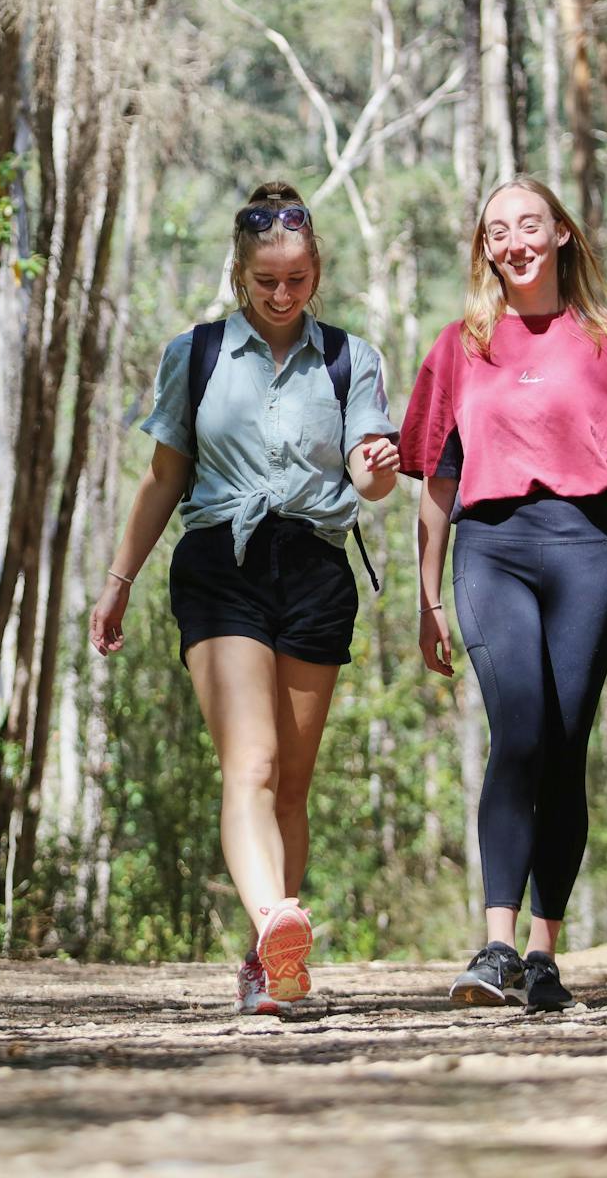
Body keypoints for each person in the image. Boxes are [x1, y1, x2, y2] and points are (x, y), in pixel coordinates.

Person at [89, 181, 402, 1016]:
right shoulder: (194, 355)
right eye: (266, 280)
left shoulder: (351, 359)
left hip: (316, 567)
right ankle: (274, 926)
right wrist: (118, 583)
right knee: (251, 765)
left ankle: (270, 966)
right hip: (219, 563)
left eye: (296, 279)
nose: (281, 294)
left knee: (291, 785)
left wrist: (377, 471)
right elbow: (165, 478)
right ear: (239, 274)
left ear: (316, 273)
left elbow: (370, 477)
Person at [398, 177, 607, 1012]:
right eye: (498, 232)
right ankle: (495, 946)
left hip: (584, 550)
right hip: (492, 551)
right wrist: (427, 599)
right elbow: (437, 482)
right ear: (486, 250)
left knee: (564, 746)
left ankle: (543, 954)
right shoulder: (460, 346)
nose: (516, 242)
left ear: (560, 233)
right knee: (518, 729)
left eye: (530, 225)